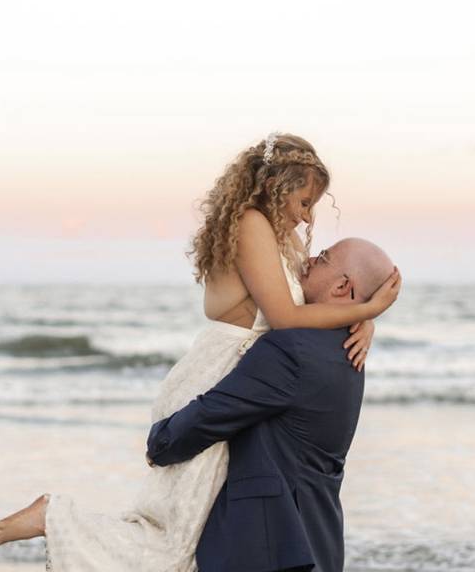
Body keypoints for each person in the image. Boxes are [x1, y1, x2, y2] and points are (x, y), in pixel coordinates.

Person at [0, 133, 402, 571]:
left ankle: (61, 522)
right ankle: (54, 516)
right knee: (175, 543)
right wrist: (367, 307)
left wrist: (361, 318)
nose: (307, 217)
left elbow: (322, 294)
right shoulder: (251, 225)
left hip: (238, 377)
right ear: (277, 187)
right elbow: (284, 314)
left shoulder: (283, 240)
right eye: (302, 201)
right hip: (213, 377)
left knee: (188, 541)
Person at [146, 237, 398, 572]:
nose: (308, 259)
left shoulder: (291, 348)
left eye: (323, 257)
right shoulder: (346, 349)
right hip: (317, 543)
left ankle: (55, 518)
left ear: (342, 286)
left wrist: (161, 442)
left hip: (266, 547)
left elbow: (215, 412)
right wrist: (368, 314)